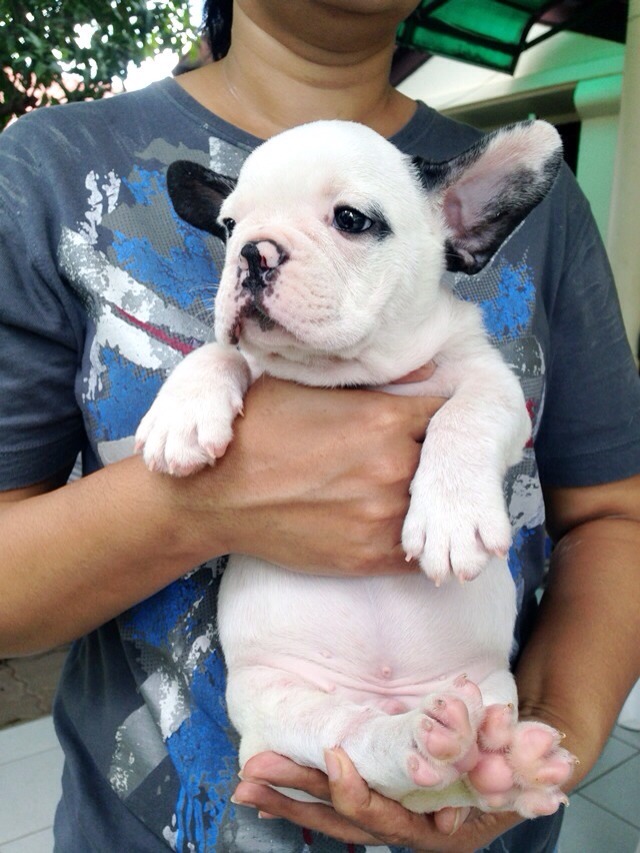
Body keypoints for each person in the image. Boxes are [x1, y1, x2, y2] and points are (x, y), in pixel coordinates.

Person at [0, 1, 638, 850]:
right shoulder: (42, 168)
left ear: (459, 222)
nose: (257, 257)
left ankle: (467, 758)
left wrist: (557, 728)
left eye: (349, 221)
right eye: (237, 230)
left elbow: (609, 513)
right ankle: (385, 748)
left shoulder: (497, 291)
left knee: (472, 711)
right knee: (282, 708)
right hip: (256, 720)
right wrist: (199, 485)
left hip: (462, 685)